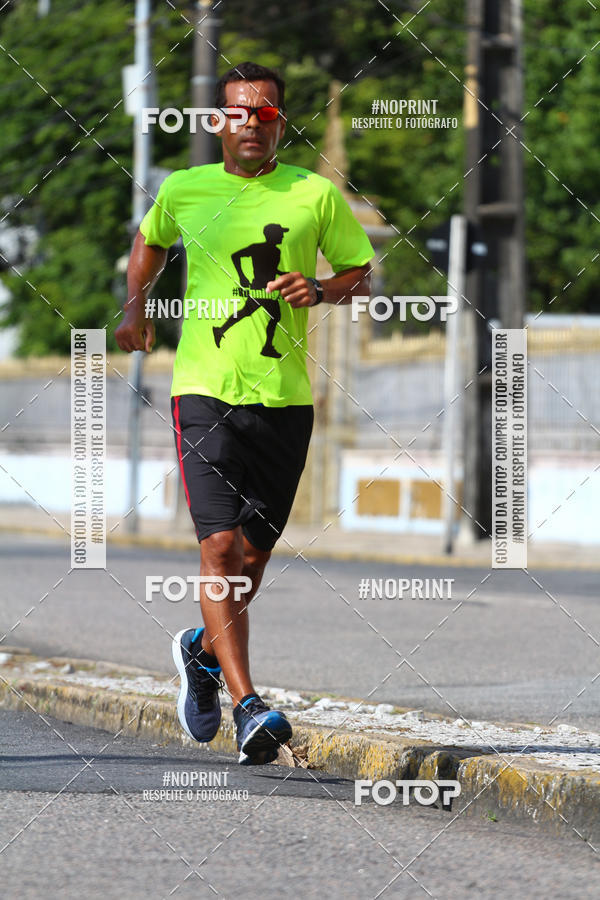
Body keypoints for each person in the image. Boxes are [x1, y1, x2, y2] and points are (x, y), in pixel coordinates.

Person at [115, 61, 373, 765]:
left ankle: (199, 651)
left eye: (264, 113)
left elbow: (359, 272)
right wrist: (134, 307)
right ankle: (248, 705)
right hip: (203, 391)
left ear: (280, 123)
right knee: (221, 552)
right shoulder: (185, 189)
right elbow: (149, 243)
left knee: (251, 563)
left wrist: (320, 289)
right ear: (217, 121)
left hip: (285, 403)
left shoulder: (314, 194)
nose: (251, 123)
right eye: (238, 111)